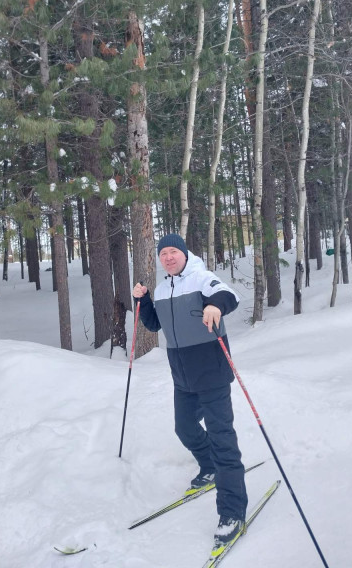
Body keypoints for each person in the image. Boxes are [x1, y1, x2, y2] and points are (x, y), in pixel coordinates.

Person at [132, 233, 247, 546]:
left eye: (173, 252)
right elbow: (155, 325)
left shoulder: (200, 278)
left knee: (223, 441)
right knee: (184, 428)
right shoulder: (163, 286)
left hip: (211, 374)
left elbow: (228, 295)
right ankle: (209, 466)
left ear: (184, 253)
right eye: (163, 253)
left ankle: (233, 511)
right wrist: (142, 301)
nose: (168, 257)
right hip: (183, 377)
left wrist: (215, 307)